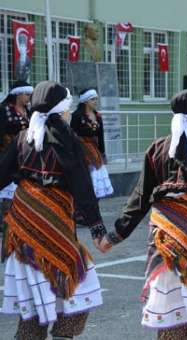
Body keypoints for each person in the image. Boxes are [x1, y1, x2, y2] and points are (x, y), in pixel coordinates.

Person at [108, 89, 187, 339]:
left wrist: (117, 233)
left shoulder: (158, 148)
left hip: (166, 242)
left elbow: (141, 196)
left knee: (171, 307)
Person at [0, 81, 107, 340]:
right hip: (52, 220)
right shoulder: (64, 138)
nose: (70, 112)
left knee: (34, 297)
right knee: (77, 284)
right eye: (68, 107)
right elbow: (81, 183)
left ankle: (35, 332)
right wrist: (97, 227)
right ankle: (61, 334)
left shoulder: (24, 137)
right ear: (61, 110)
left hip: (24, 219)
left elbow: (2, 173)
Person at [0, 81, 32, 235]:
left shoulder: (27, 110)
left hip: (23, 155)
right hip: (7, 154)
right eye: (26, 94)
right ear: (18, 94)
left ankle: (14, 220)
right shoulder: (4, 110)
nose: (29, 97)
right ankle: (5, 221)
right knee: (6, 188)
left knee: (18, 190)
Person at [71, 88, 114, 199]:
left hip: (95, 152)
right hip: (82, 152)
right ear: (85, 101)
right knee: (86, 180)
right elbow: (72, 135)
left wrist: (103, 153)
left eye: (96, 99)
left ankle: (95, 203)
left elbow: (100, 136)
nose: (95, 101)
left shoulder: (98, 116)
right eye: (92, 99)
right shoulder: (77, 116)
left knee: (97, 180)